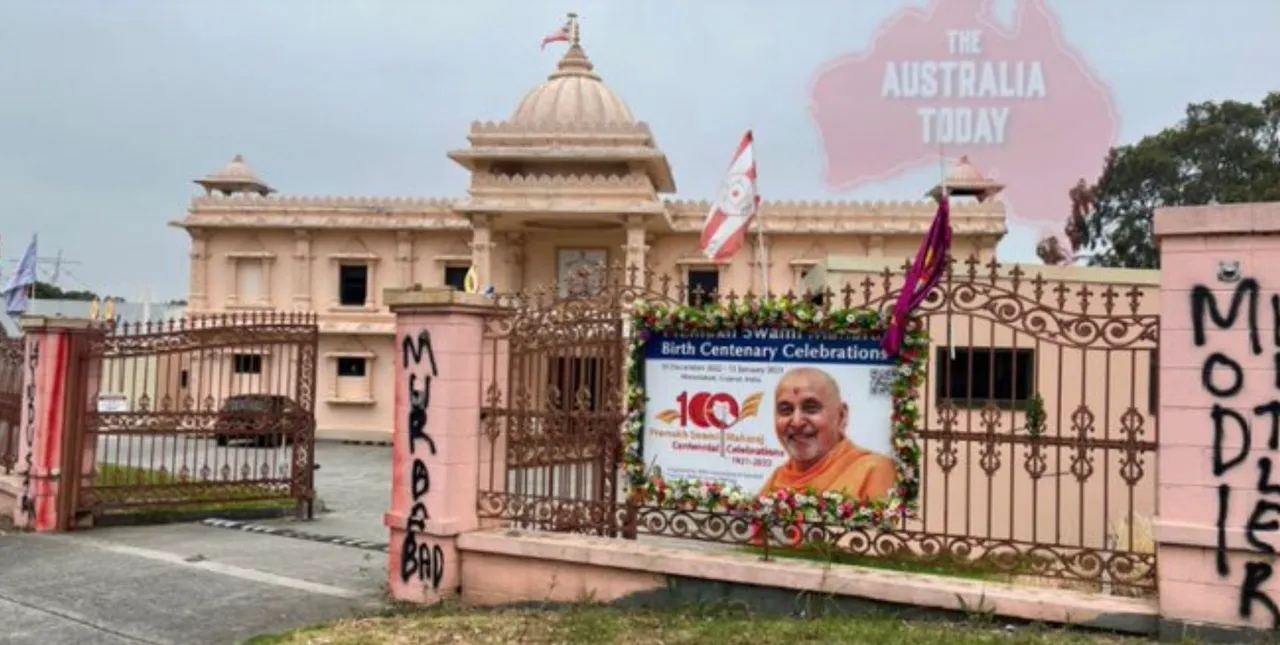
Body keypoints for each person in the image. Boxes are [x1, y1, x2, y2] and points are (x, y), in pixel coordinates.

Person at [759, 366, 897, 501]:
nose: (796, 422)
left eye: (811, 408)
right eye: (785, 410)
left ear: (841, 416)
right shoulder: (778, 479)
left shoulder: (873, 470)